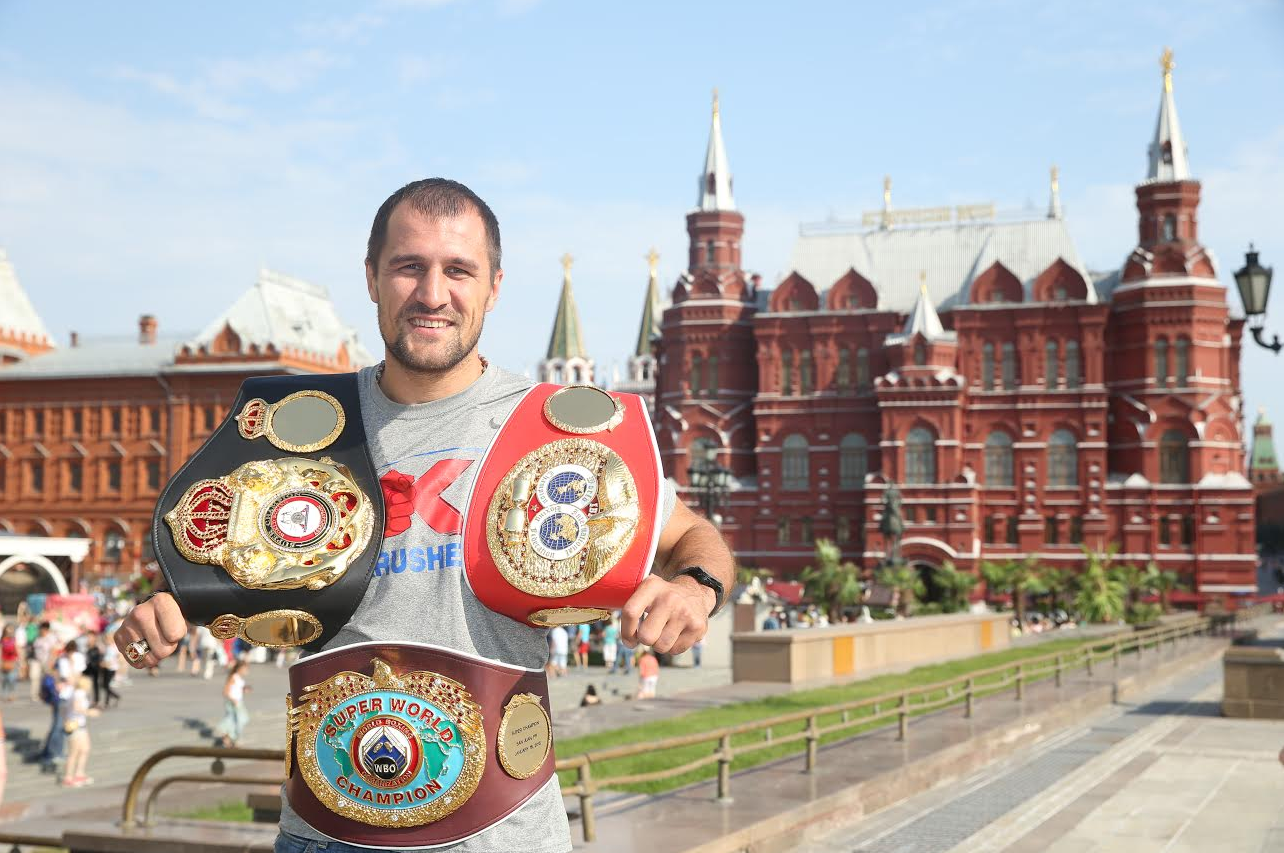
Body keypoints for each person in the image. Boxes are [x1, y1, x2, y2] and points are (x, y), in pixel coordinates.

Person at [114, 178, 735, 853]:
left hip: (505, 835)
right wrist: (165, 613)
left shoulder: (556, 430)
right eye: (409, 266)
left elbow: (694, 536)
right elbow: (216, 563)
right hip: (323, 834)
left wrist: (695, 585)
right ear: (373, 279)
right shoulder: (300, 428)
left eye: (458, 270)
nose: (433, 293)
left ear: (494, 286)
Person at [62, 674, 93, 787]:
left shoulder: (78, 693)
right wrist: (90, 712)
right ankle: (68, 777)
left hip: (80, 725)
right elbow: (76, 707)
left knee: (85, 749)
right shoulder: (78, 693)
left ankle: (79, 773)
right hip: (76, 726)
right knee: (74, 752)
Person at [216, 661, 250, 747]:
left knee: (239, 719)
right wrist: (233, 700)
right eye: (245, 669)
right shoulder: (233, 677)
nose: (246, 671)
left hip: (238, 701)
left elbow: (236, 689)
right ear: (239, 669)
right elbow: (225, 692)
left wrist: (244, 690)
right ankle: (227, 735)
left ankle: (229, 738)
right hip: (232, 702)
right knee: (236, 719)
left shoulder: (239, 678)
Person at [98, 630, 121, 708]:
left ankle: (109, 701)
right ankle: (112, 698)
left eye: (107, 638)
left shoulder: (112, 647)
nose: (105, 640)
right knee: (105, 685)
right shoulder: (109, 647)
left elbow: (114, 658)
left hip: (110, 668)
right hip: (107, 668)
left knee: (106, 685)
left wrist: (107, 663)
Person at [0, 625, 19, 701]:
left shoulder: (14, 640)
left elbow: (17, 650)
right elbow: (0, 651)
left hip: (12, 661)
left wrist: (18, 659)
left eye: (10, 631)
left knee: (12, 678)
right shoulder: (2, 640)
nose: (9, 633)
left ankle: (12, 694)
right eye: (8, 631)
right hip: (4, 661)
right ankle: (4, 694)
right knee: (4, 679)